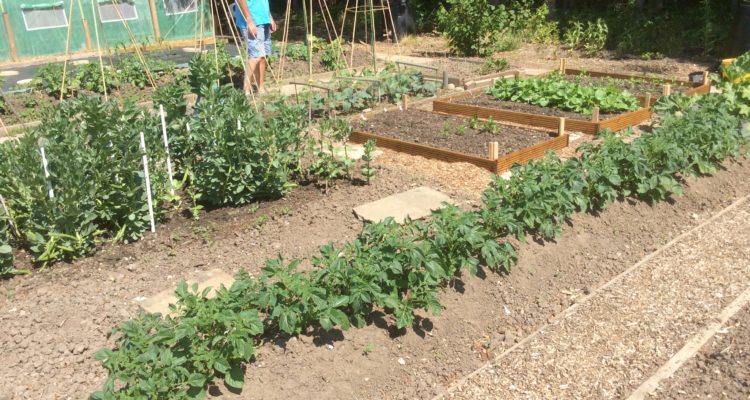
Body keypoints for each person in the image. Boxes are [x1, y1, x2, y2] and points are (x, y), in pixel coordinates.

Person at [235, 0, 277, 93]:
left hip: (263, 19)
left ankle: (260, 88)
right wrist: (249, 20)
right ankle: (246, 90)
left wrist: (269, 17)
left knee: (262, 56)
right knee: (256, 56)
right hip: (252, 21)